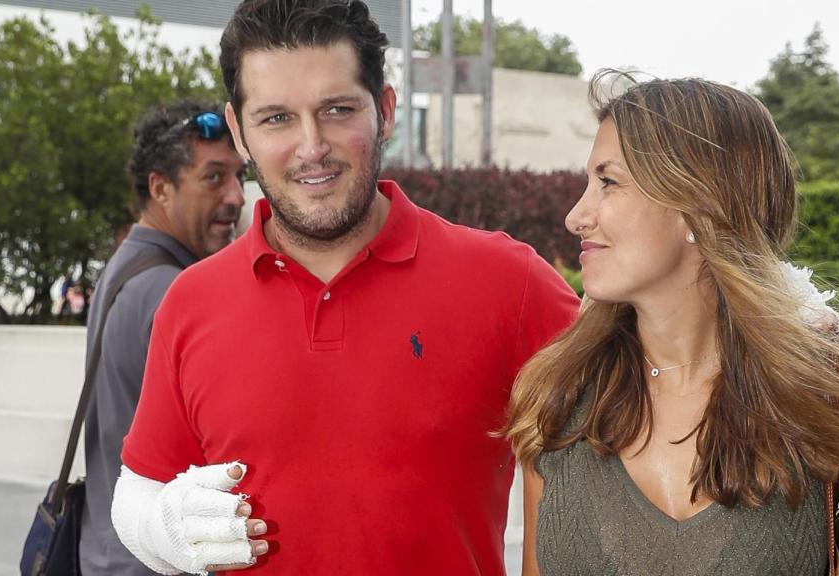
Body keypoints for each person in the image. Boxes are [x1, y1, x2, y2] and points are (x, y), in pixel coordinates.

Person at [109, 1, 580, 575]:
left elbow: (638, 416)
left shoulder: (511, 281)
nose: (311, 148)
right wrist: (165, 527)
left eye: (336, 110)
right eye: (276, 118)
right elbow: (136, 491)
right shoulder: (189, 301)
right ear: (238, 130)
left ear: (384, 108)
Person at [504, 74, 839, 576]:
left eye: (608, 182)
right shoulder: (556, 391)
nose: (575, 216)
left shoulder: (837, 383)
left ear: (698, 202)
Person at [80, 100, 246, 575]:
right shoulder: (172, 291)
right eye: (213, 177)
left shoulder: (126, 268)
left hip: (108, 554)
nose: (235, 196)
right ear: (161, 188)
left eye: (237, 176)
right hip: (154, 559)